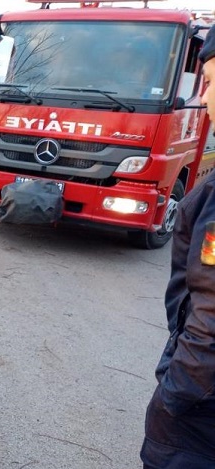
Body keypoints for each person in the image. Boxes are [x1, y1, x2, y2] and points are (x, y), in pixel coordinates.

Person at [140, 27, 215, 468]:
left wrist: (174, 395)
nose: (204, 98)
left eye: (210, 81)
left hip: (198, 420)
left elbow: (211, 316)